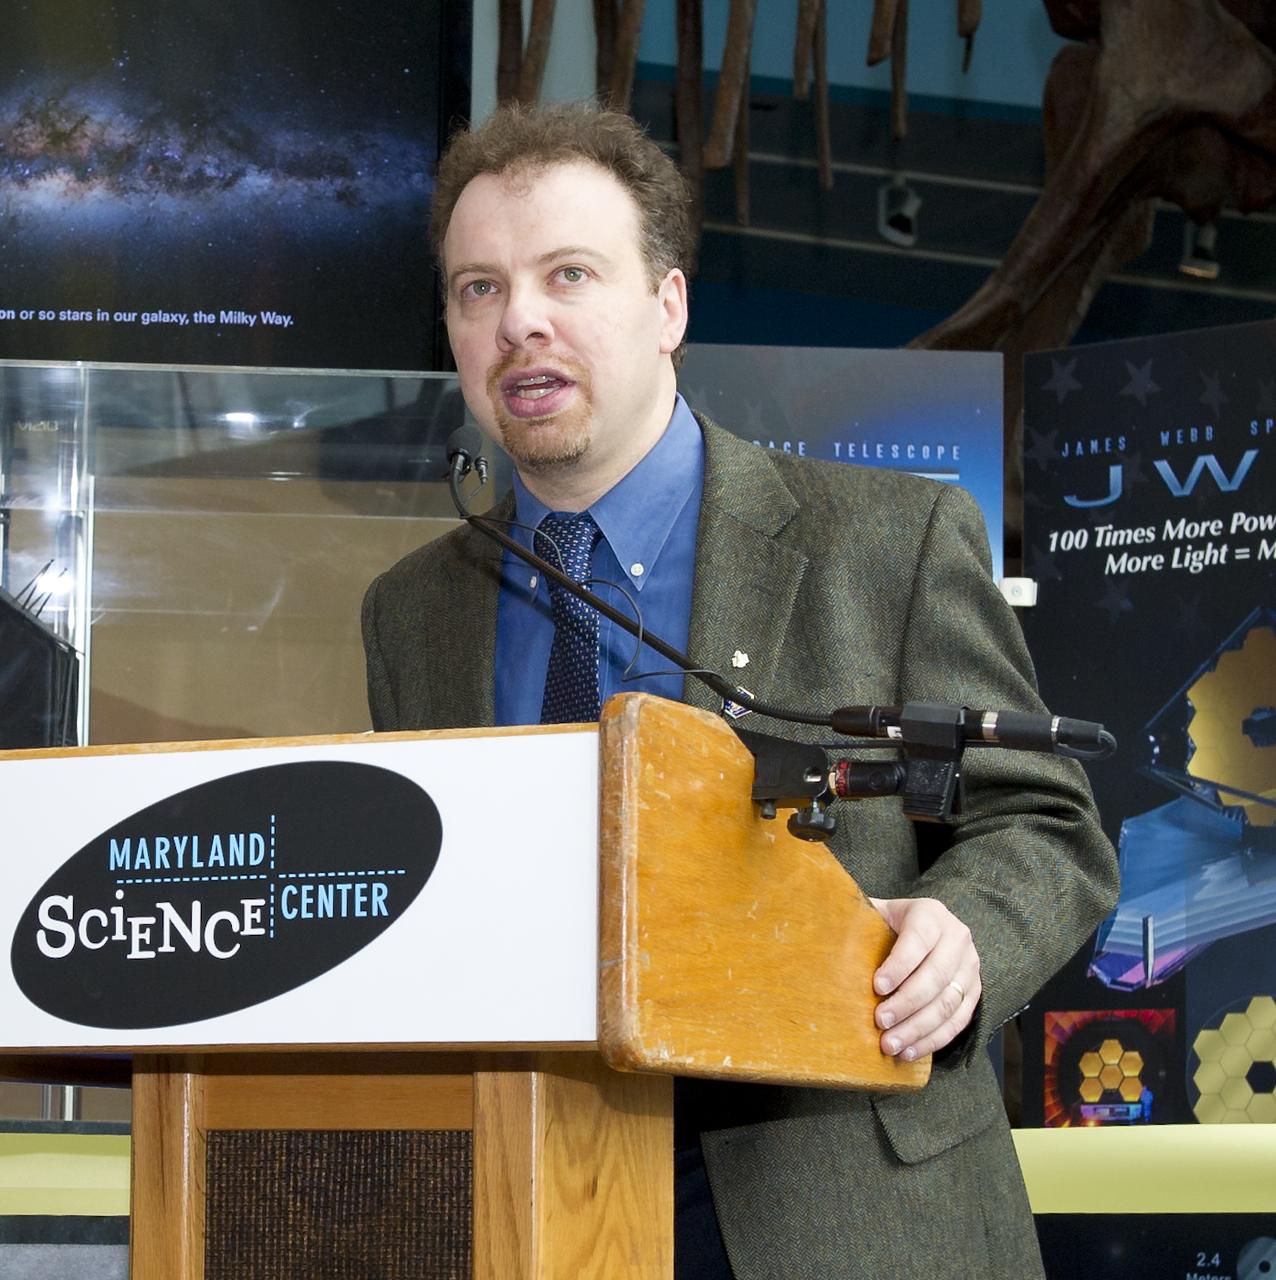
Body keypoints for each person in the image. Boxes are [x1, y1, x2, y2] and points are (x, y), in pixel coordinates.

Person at [362, 102, 1118, 1280]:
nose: (520, 321)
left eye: (568, 273)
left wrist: (964, 930)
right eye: (477, 288)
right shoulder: (413, 609)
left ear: (668, 306)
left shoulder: (889, 537)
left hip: (842, 1205)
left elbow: (1044, 820)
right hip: (528, 1201)